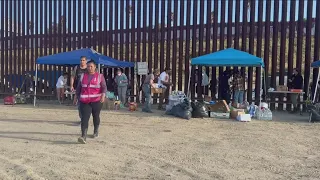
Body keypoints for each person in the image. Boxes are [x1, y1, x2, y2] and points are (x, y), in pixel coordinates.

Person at [73, 60, 106, 144]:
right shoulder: (83, 76)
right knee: (84, 118)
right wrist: (76, 97)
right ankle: (83, 136)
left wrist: (103, 95)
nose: (89, 68)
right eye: (88, 66)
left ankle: (95, 131)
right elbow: (79, 87)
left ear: (95, 67)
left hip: (96, 101)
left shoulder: (100, 76)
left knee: (96, 116)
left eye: (91, 66)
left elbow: (104, 87)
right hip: (85, 101)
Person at [70, 56, 87, 124]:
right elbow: (72, 77)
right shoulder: (76, 68)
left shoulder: (89, 68)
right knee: (80, 105)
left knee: (87, 106)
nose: (82, 61)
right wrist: (71, 85)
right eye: (81, 60)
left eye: (83, 60)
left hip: (87, 90)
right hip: (79, 89)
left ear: (86, 61)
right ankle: (82, 119)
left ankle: (85, 119)